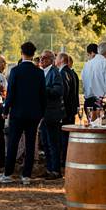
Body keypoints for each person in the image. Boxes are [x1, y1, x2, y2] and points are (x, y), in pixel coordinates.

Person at [0, 42, 47, 184]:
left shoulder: (15, 71)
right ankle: (26, 175)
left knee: (13, 142)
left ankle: (8, 173)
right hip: (34, 113)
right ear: (33, 54)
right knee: (30, 143)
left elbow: (11, 93)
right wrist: (42, 113)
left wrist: (6, 110)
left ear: (22, 53)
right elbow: (42, 94)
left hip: (17, 113)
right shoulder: (39, 73)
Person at [37, 51, 66, 179]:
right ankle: (48, 168)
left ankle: (55, 170)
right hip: (43, 113)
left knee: (53, 142)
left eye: (44, 58)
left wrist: (44, 89)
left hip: (52, 112)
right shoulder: (41, 72)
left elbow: (59, 90)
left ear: (51, 60)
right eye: (40, 58)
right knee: (45, 142)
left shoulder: (54, 72)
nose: (41, 60)